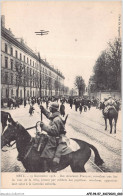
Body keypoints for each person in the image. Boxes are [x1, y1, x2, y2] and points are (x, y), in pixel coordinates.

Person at [39, 102, 69, 171]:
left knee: (47, 150)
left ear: (53, 109)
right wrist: (43, 109)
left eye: (50, 107)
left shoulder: (56, 119)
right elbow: (49, 115)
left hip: (57, 138)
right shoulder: (55, 116)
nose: (49, 108)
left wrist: (44, 126)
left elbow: (54, 131)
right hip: (55, 136)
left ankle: (51, 166)